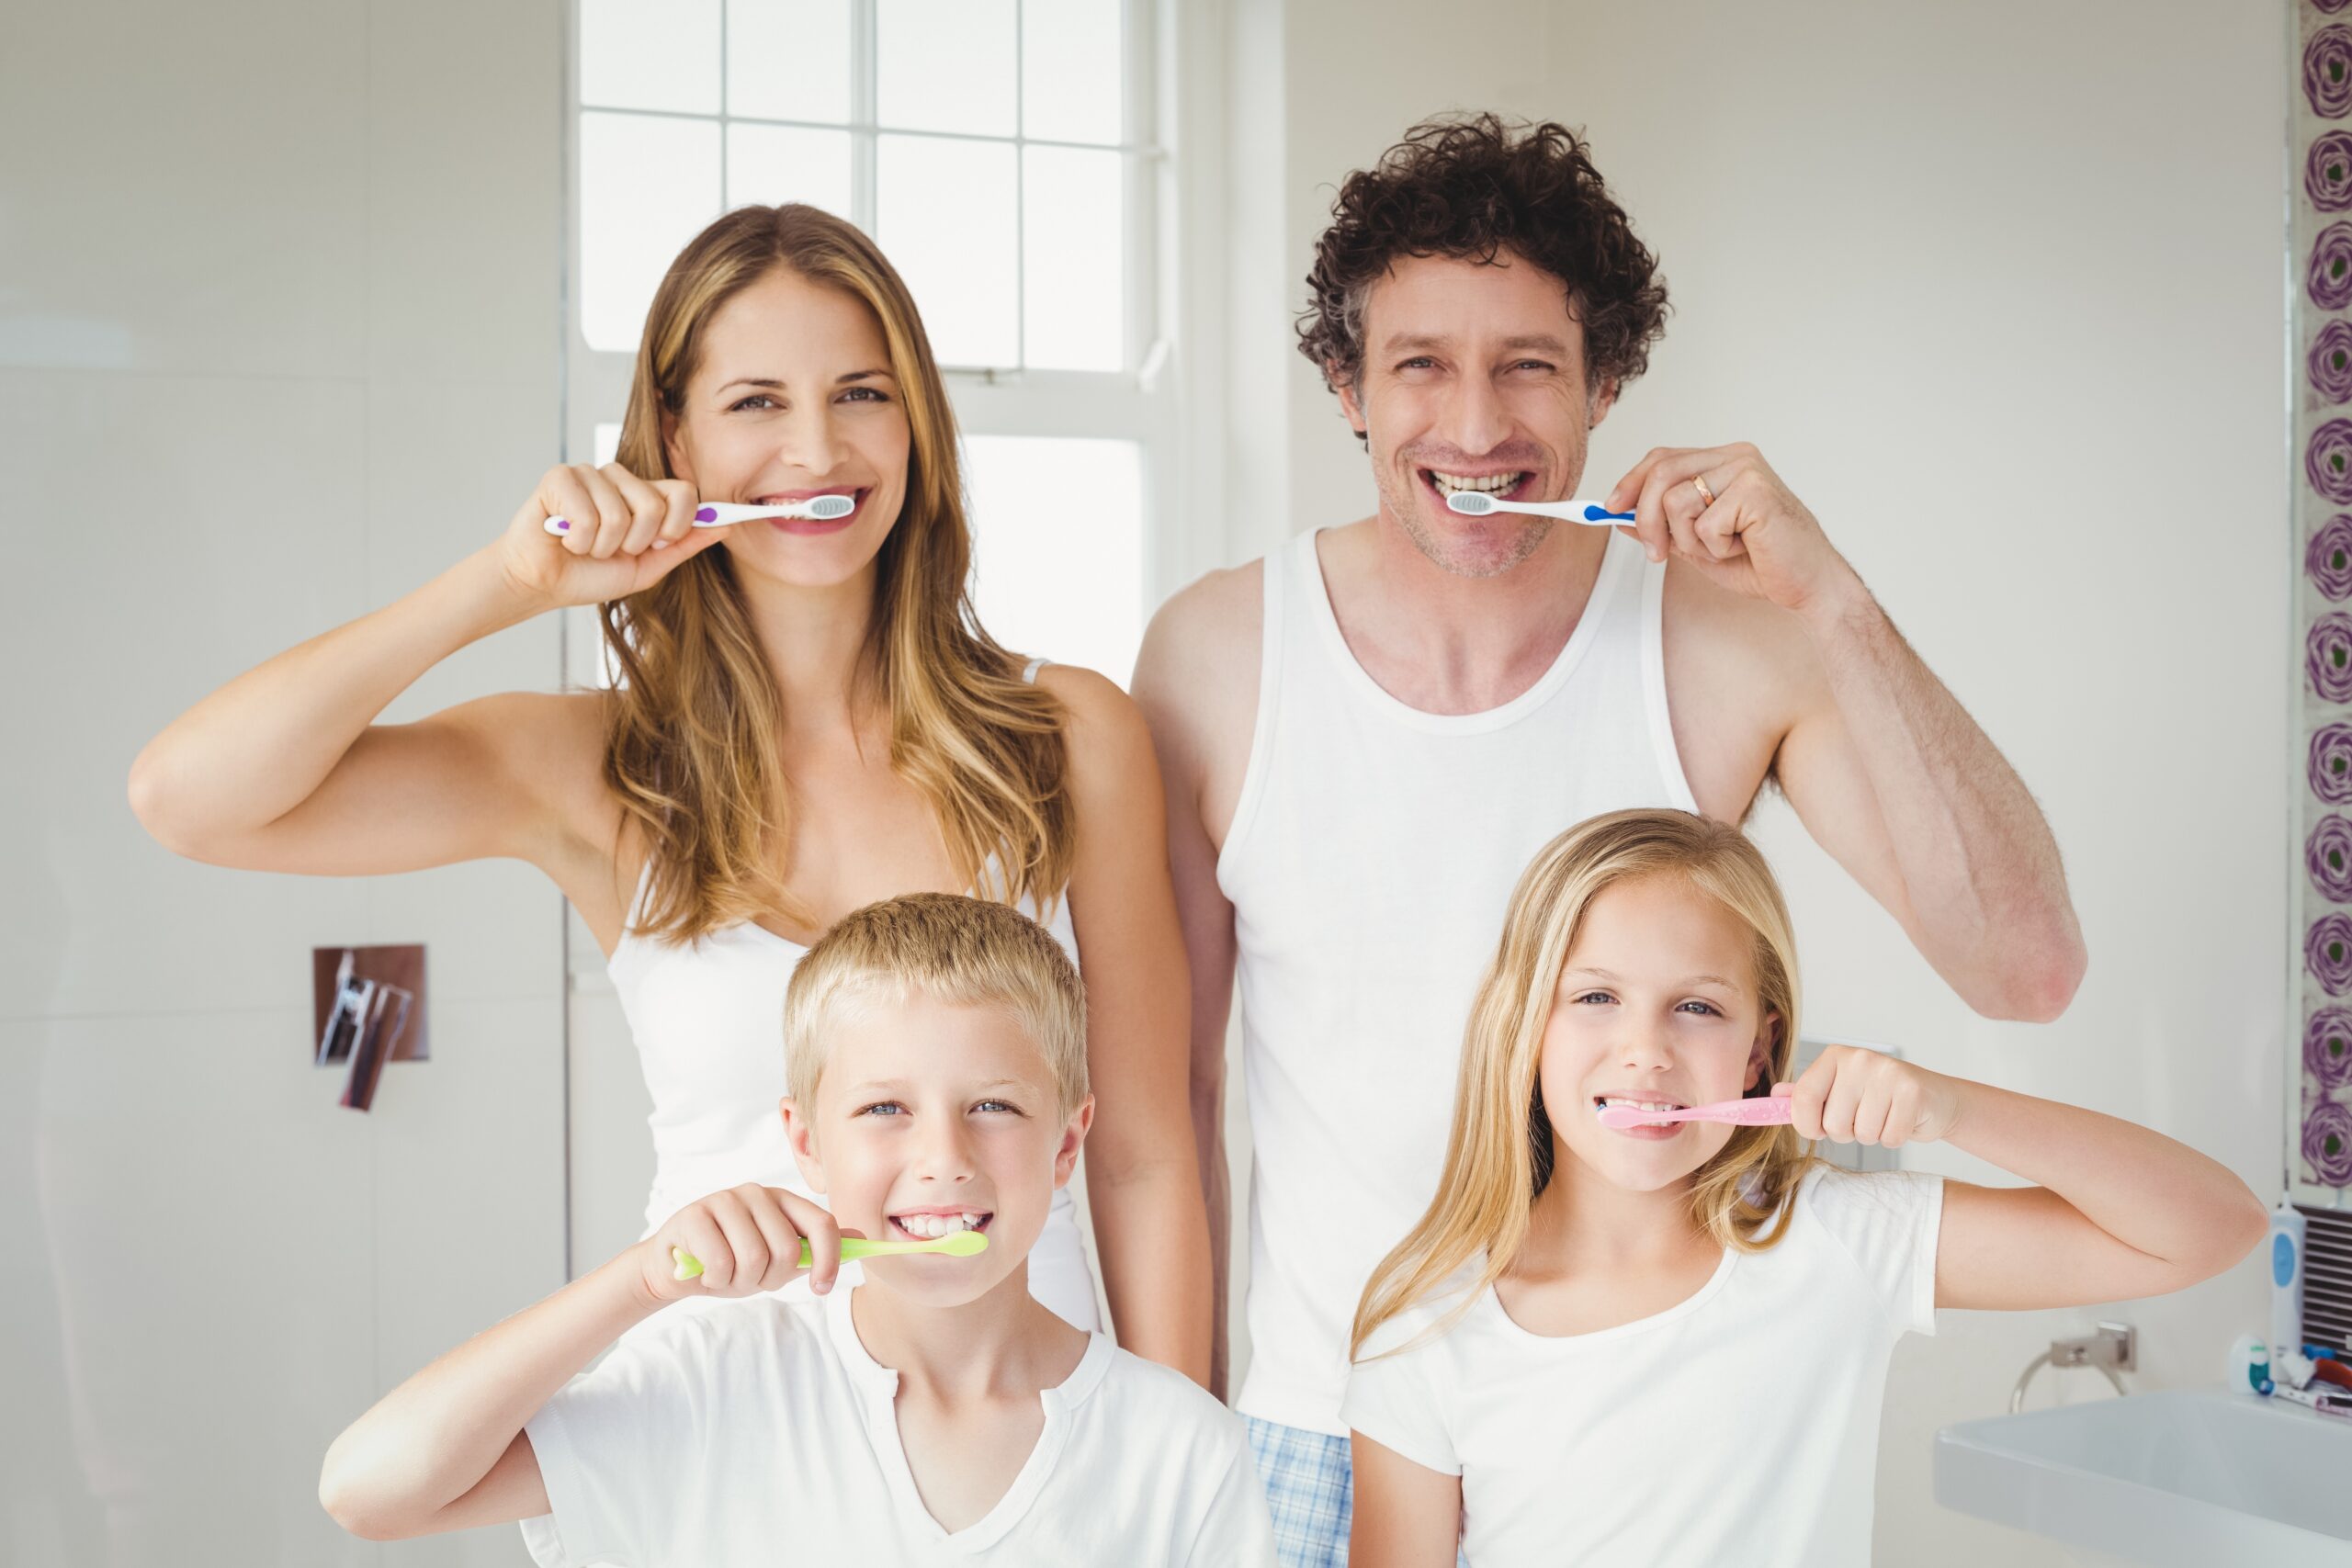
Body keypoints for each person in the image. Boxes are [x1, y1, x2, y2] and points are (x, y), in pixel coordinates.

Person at [1130, 115, 2086, 1558]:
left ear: (1607, 382)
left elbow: (2026, 966)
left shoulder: (1730, 646)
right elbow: (1169, 1109)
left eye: (1527, 364)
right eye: (1419, 365)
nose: (1472, 424)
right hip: (1312, 1434)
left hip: (1634, 1425)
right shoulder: (1213, 654)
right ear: (1344, 385)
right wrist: (1179, 1456)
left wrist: (1831, 601)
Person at [129, 204, 1209, 1377]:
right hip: (713, 1432)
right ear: (674, 444)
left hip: (1033, 1442)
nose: (815, 452)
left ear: (915, 426)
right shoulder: (598, 769)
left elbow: (1144, 1156)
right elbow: (190, 799)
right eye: (756, 403)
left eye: (861, 393)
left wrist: (1175, 1462)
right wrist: (504, 583)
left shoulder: (1065, 734)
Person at [1340, 809, 2261, 1567]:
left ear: (1758, 1052)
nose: (1645, 1049)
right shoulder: (1427, 1330)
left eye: (1696, 1006)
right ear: (1526, 1027)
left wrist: (1950, 1107)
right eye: (1594, 997)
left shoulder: (1835, 1241)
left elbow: (2211, 1227)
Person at [317, 893, 1276, 1564]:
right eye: (882, 1110)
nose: (942, 1156)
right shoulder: (716, 1383)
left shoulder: (1179, 1449)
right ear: (803, 1145)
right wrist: (640, 1284)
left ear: (1067, 1146)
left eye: (991, 1106)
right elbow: (371, 1492)